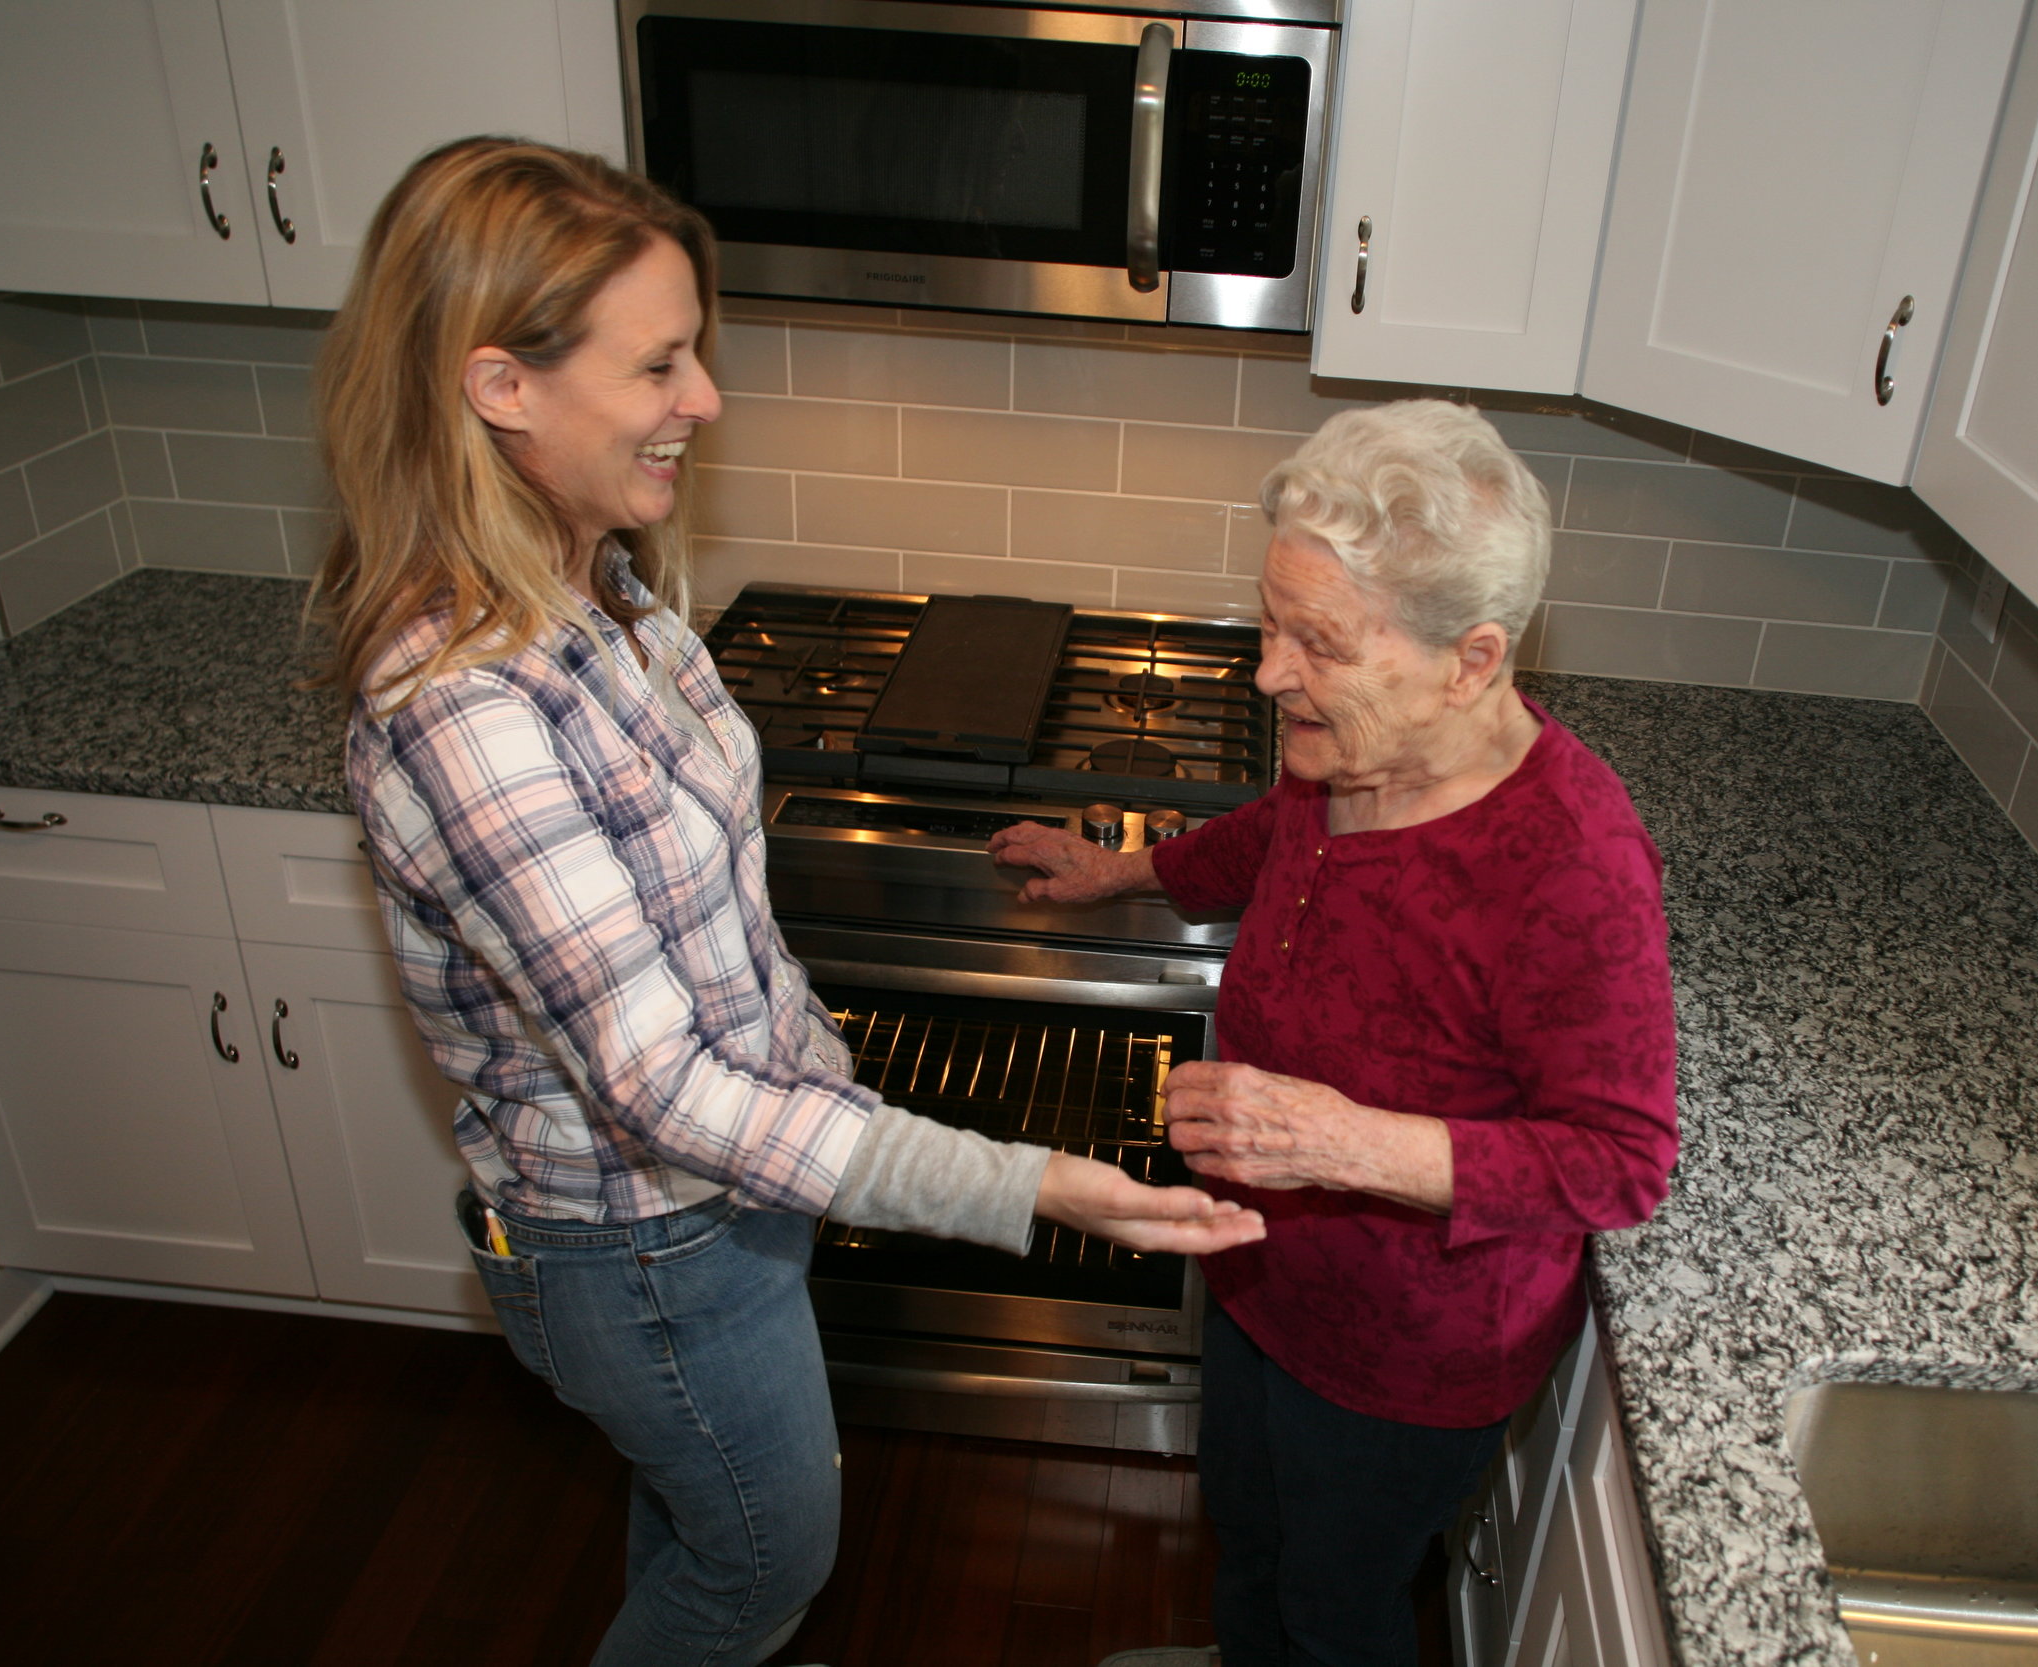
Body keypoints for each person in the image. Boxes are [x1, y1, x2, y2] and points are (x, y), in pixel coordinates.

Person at [311, 137, 1265, 1667]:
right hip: (644, 1244)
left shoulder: (591, 580)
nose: (704, 400)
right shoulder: (465, 711)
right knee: (766, 1556)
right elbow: (660, 1088)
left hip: (720, 1211)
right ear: (503, 388)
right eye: (662, 363)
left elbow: (702, 946)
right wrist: (1035, 1183)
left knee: (705, 1510)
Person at [990, 400, 1679, 1667]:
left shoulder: (1571, 862)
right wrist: (1122, 872)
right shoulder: (1344, 748)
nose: (1268, 673)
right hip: (1256, 1266)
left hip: (1406, 1348)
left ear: (1470, 662)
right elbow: (1269, 840)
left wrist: (1346, 1140)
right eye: (1269, 621)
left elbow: (1616, 1161)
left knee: (1337, 1608)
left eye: (1317, 641)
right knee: (1243, 1538)